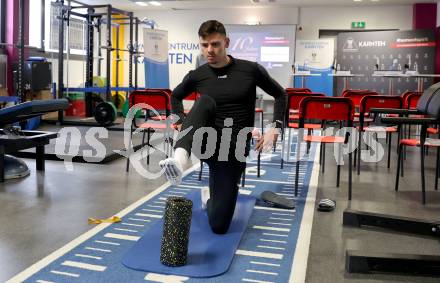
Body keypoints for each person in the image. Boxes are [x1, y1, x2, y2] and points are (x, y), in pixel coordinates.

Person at [159, 20, 286, 234]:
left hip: (233, 149)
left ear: (226, 42)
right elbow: (176, 96)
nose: (210, 50)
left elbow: (280, 94)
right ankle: (180, 160)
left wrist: (276, 127)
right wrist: (179, 119)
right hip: (205, 141)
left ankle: (210, 196)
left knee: (219, 226)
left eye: (215, 44)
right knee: (205, 102)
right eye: (205, 45)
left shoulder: (250, 70)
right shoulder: (197, 75)